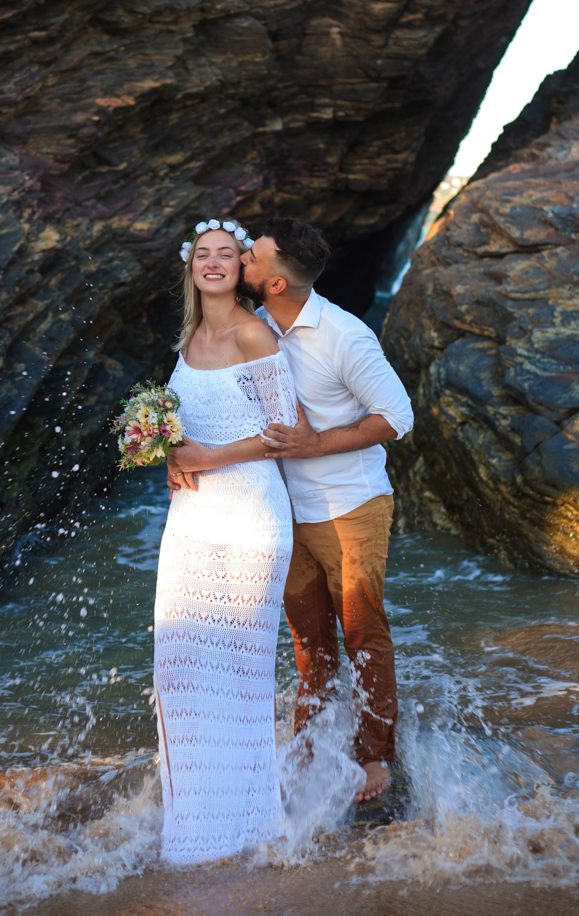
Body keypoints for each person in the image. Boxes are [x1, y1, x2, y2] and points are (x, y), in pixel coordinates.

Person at [238, 217, 414, 804]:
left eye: (252, 257)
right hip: (284, 508)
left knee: (363, 631)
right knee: (310, 641)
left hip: (350, 505)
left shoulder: (345, 336)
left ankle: (374, 756)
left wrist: (317, 444)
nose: (242, 259)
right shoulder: (258, 329)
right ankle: (308, 745)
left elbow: (397, 415)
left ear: (276, 283)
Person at [155, 218, 298, 864]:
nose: (212, 265)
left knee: (238, 681)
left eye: (224, 256)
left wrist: (208, 458)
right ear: (191, 268)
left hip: (248, 518)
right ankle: (193, 826)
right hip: (190, 519)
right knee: (178, 672)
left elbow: (284, 428)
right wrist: (163, 453)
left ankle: (248, 830)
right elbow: (180, 425)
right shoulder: (188, 337)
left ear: (240, 267)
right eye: (201, 256)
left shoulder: (253, 334)